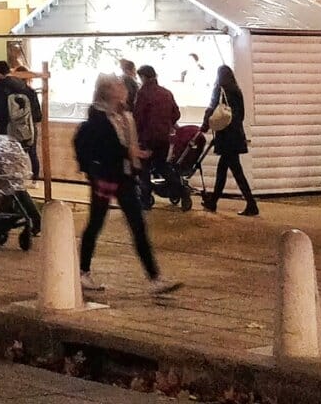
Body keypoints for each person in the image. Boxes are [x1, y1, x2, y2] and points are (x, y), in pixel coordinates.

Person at [74, 73, 179, 294]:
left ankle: (154, 278)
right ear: (108, 92)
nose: (123, 88)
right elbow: (104, 147)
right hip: (106, 177)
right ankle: (82, 271)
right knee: (96, 223)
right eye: (117, 85)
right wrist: (128, 153)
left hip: (125, 177)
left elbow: (126, 144)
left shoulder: (126, 116)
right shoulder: (99, 118)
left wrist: (135, 157)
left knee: (138, 226)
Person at [200, 65, 258, 215]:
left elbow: (211, 108)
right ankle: (213, 201)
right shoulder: (236, 90)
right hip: (236, 135)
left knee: (235, 172)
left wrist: (204, 125)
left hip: (226, 137)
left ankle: (251, 204)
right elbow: (242, 115)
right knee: (223, 170)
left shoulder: (219, 90)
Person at [132, 65, 183, 210]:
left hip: (147, 138)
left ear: (143, 77)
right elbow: (176, 114)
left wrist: (135, 134)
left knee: (144, 169)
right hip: (164, 137)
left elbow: (138, 117)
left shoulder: (143, 93)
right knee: (162, 165)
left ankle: (146, 200)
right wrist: (166, 123)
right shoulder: (166, 93)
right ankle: (181, 190)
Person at [0, 61, 43, 179]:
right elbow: (37, 114)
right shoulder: (25, 87)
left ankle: (9, 180)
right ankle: (33, 179)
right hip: (27, 127)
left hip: (6, 128)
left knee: (6, 156)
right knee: (31, 153)